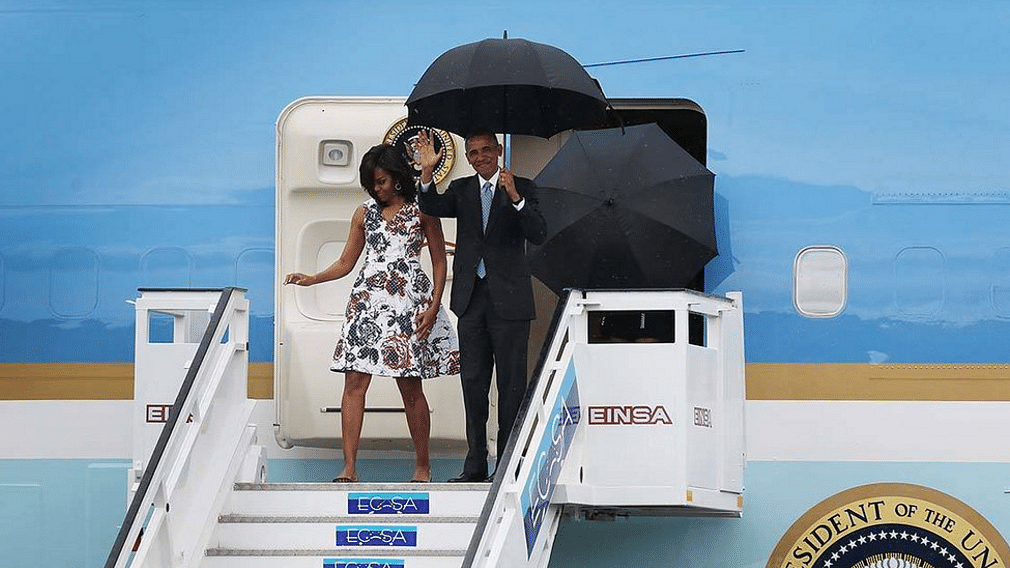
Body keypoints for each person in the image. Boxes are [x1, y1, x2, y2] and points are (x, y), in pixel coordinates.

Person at [283, 143, 459, 483]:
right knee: (354, 383)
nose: (376, 188)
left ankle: (423, 465)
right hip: (367, 304)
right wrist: (313, 278)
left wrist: (434, 305)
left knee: (410, 387)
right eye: (371, 183)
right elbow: (347, 262)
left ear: (396, 178)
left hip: (409, 303)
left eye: (380, 181)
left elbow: (439, 259)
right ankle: (349, 467)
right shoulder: (364, 213)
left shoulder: (423, 210)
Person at [415, 129, 547, 482]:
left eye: (486, 150)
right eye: (473, 153)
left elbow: (538, 232)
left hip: (510, 303)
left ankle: (507, 466)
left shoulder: (524, 187)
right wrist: (427, 172)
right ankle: (475, 466)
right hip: (472, 301)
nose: (480, 157)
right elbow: (431, 206)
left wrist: (515, 198)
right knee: (473, 385)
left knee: (511, 387)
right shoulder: (461, 189)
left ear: (499, 150)